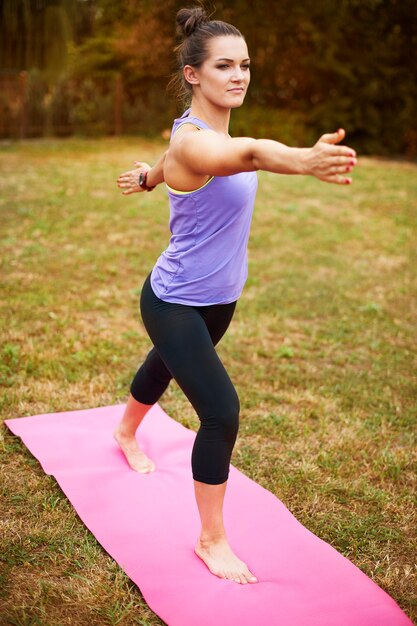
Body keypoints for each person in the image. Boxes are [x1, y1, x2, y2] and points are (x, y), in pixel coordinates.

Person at [114, 6, 357, 586]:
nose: (239, 75)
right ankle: (211, 539)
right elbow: (241, 156)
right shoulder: (199, 144)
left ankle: (125, 430)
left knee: (163, 365)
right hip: (172, 299)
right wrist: (301, 159)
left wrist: (146, 177)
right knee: (221, 413)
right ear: (194, 74)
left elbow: (176, 166)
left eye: (245, 65)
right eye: (225, 65)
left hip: (220, 299)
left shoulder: (200, 137)